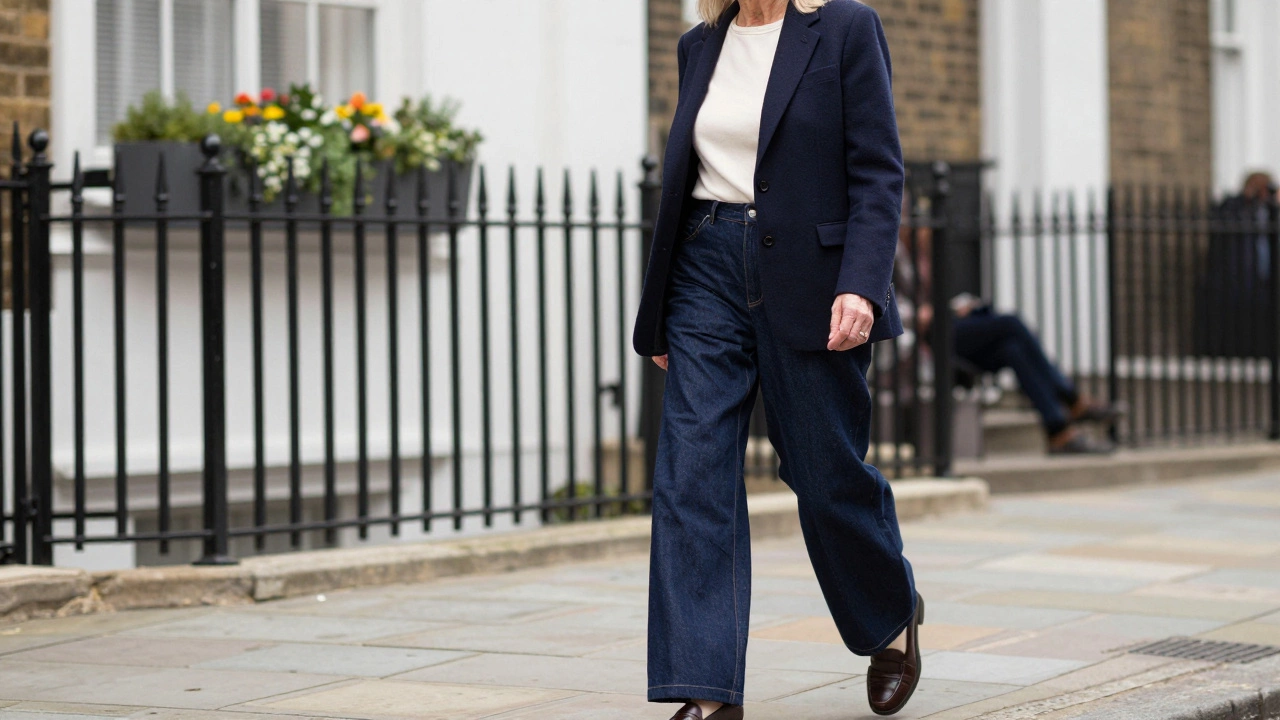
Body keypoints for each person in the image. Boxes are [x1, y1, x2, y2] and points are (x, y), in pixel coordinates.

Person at [632, 0, 922, 717]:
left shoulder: (847, 28)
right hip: (705, 268)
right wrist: (665, 304)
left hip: (812, 276)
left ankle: (891, 617)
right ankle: (706, 691)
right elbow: (684, 175)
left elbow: (879, 171)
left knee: (824, 472)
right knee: (691, 472)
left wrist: (862, 282)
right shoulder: (699, 44)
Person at [894, 212, 1122, 455]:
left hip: (945, 327)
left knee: (1012, 349)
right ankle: (1072, 398)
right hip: (923, 338)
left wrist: (953, 307)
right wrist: (922, 314)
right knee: (1011, 323)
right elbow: (888, 304)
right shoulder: (894, 253)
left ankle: (1058, 431)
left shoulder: (924, 257)